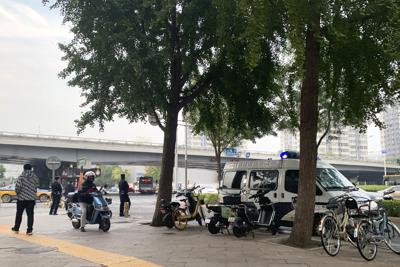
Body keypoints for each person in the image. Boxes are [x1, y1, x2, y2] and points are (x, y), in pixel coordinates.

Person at [12, 164, 39, 235]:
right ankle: (29, 230)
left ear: (24, 169)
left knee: (19, 214)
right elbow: (37, 186)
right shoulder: (35, 177)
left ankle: (16, 228)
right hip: (31, 199)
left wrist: (18, 193)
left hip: (21, 199)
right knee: (30, 215)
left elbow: (18, 187)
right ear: (31, 169)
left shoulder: (21, 177)